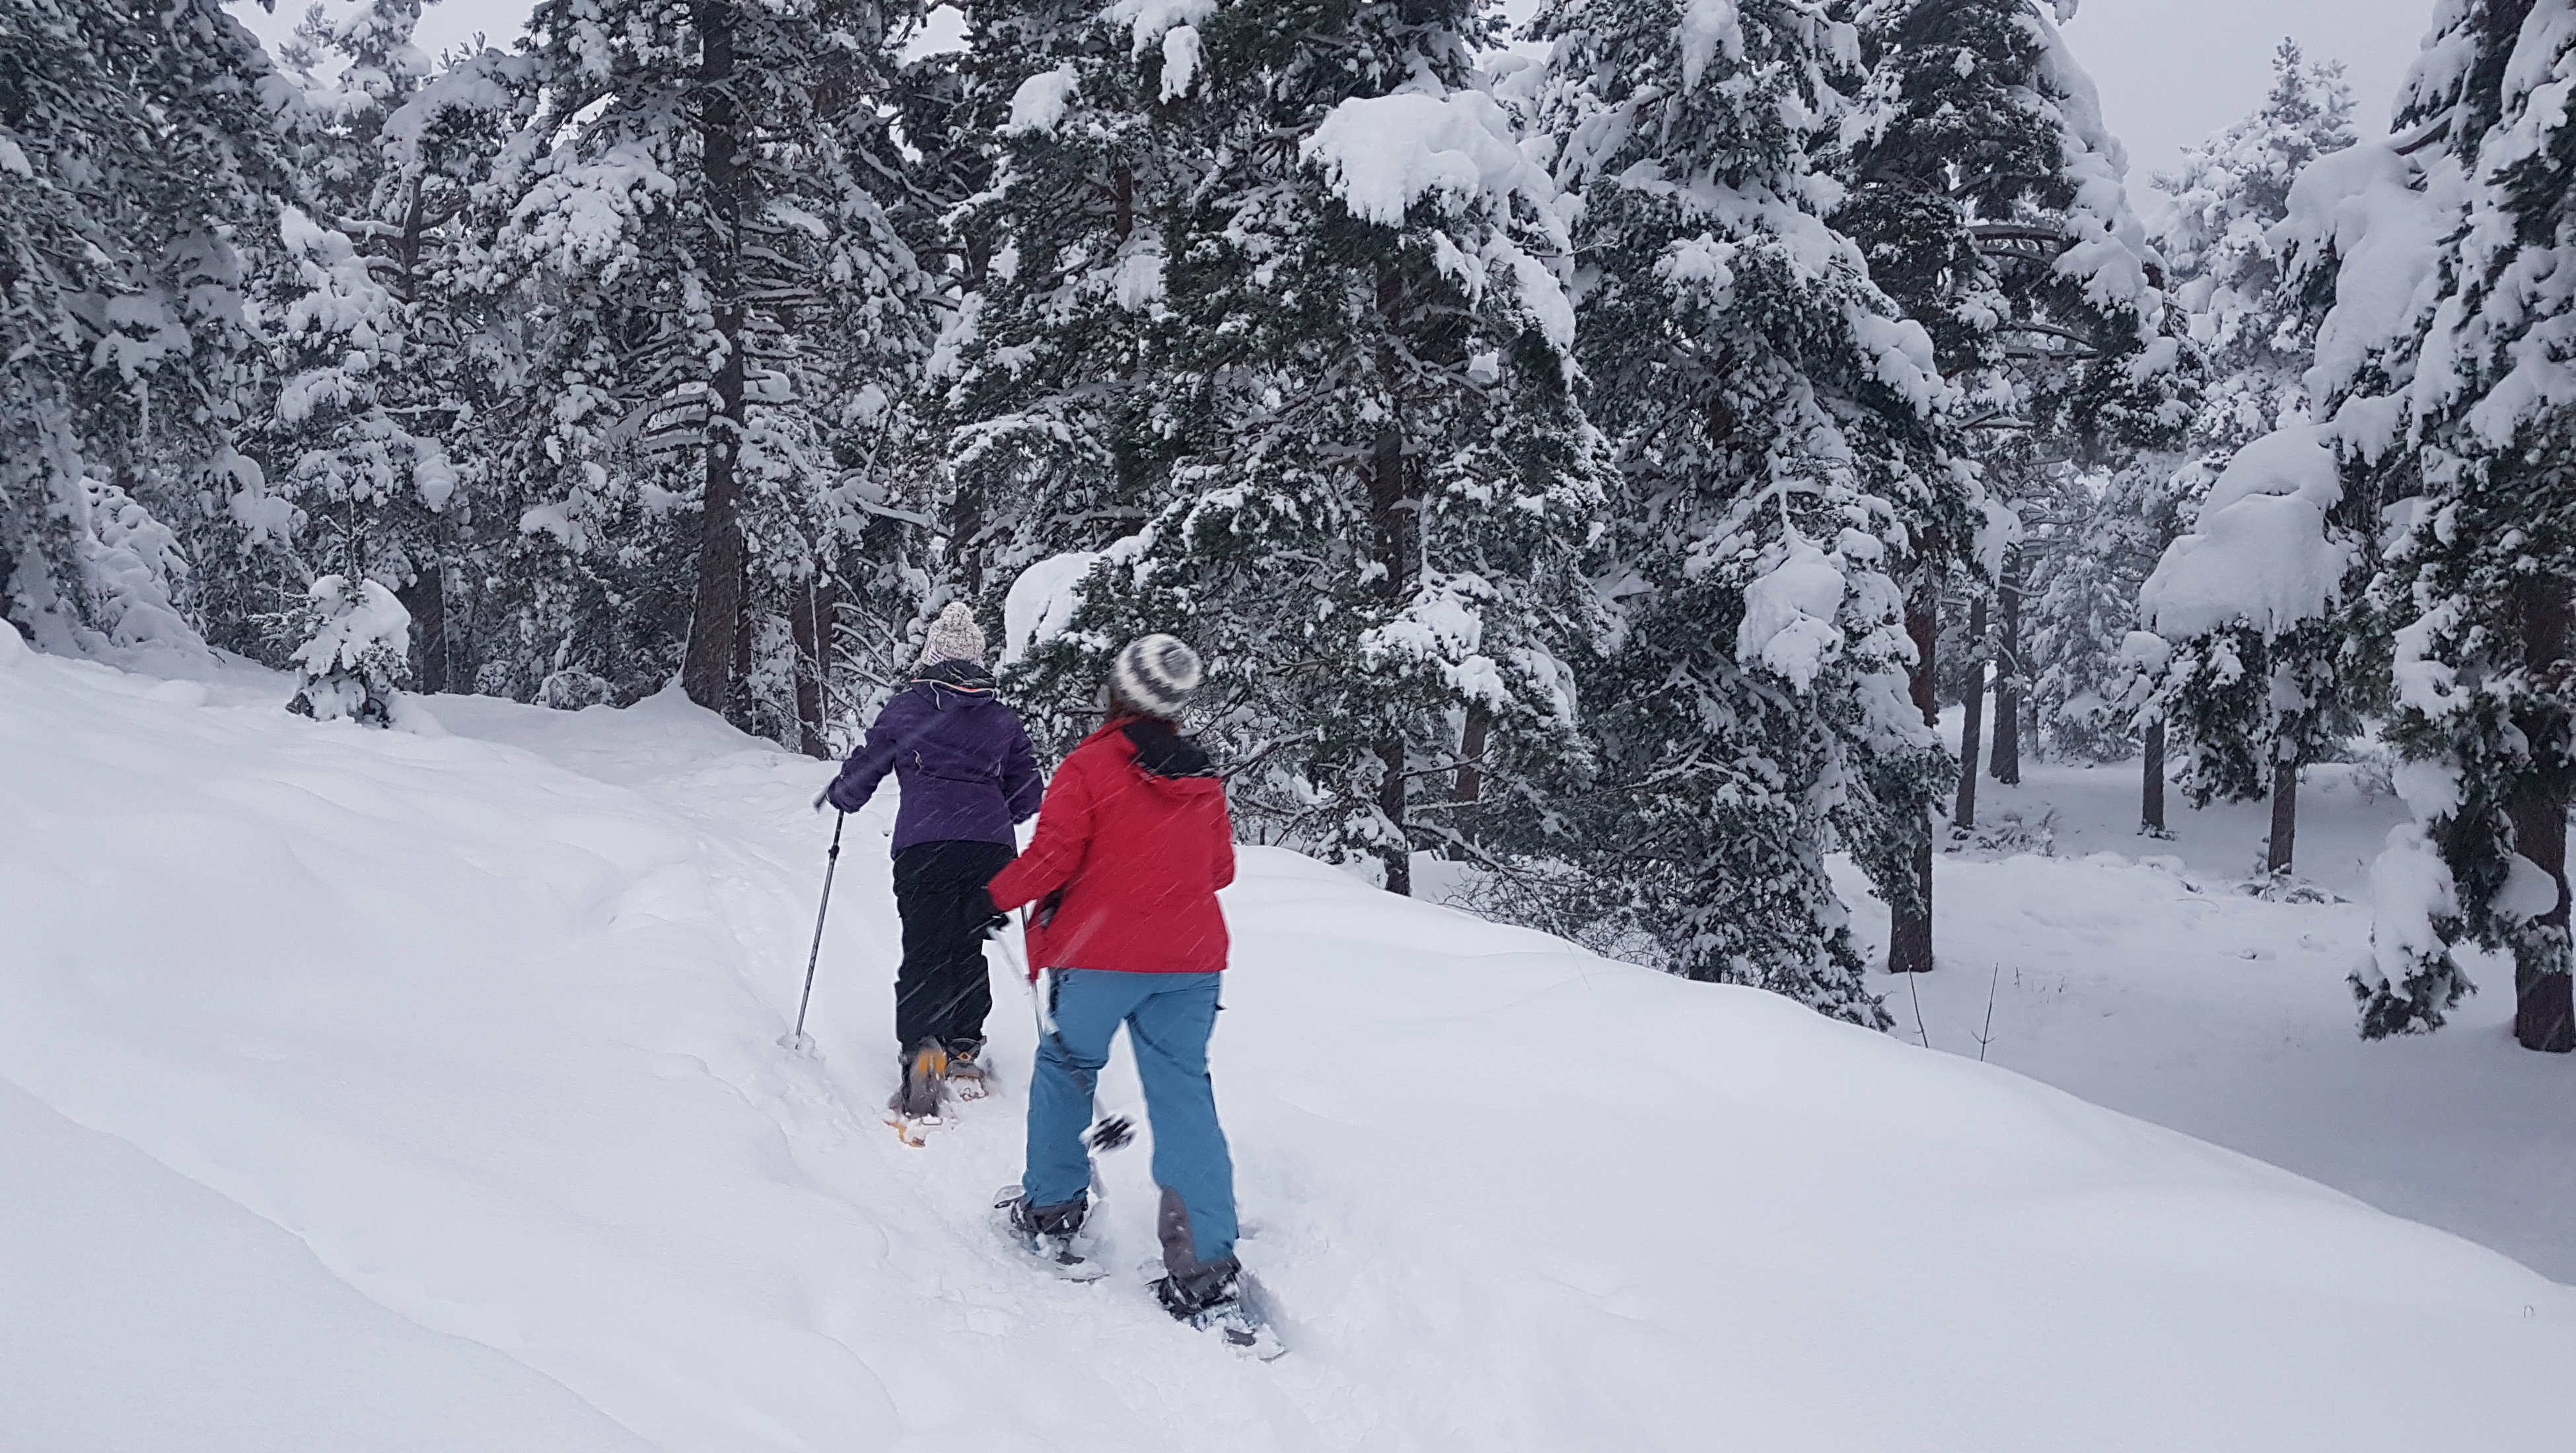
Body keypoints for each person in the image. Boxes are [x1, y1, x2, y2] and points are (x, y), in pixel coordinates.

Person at [985, 634, 1245, 1326]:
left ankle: (1052, 1206)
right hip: (1189, 963)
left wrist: (990, 897)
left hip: (1098, 957)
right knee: (1184, 1095)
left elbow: (1052, 858)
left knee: (1067, 1068)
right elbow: (1220, 871)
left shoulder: (1090, 765)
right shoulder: (1202, 777)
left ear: (1119, 692)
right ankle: (1204, 1263)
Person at [820, 602, 1042, 1116]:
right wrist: (988, 810)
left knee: (925, 947)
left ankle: (924, 1049)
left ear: (931, 657)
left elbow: (867, 768)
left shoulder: (908, 709)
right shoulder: (1001, 717)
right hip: (989, 849)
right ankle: (964, 1047)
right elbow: (1030, 794)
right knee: (968, 945)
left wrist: (843, 795)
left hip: (924, 845)